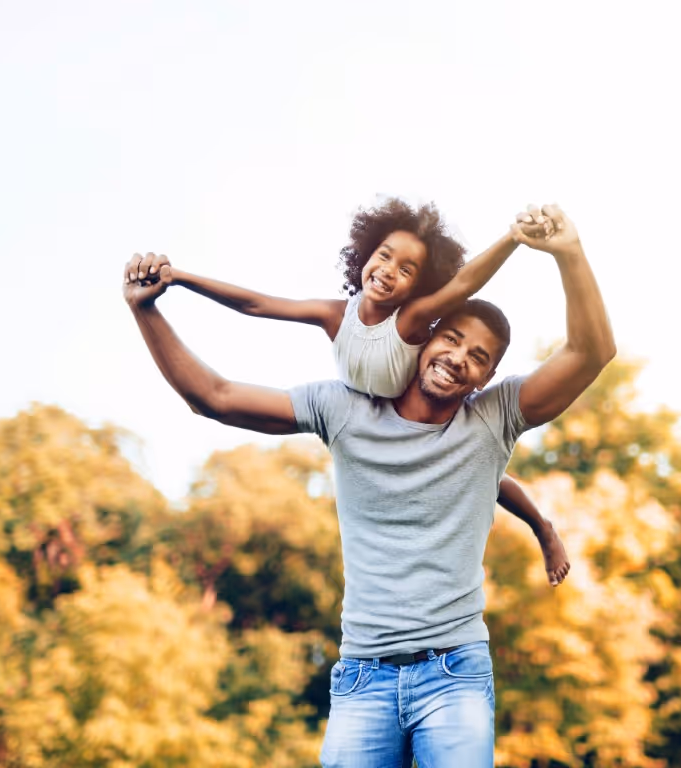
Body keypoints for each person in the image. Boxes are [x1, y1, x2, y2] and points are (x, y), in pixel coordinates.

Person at [123, 203, 615, 767]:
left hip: (454, 672)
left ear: (490, 377)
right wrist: (147, 312)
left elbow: (590, 353)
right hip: (362, 677)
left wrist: (570, 254)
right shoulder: (342, 407)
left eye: (478, 358)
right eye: (452, 339)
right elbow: (215, 397)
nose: (458, 359)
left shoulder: (493, 418)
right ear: (427, 333)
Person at [144, 198, 570, 585]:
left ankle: (541, 525)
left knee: (487, 472)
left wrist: (512, 239)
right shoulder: (334, 314)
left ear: (420, 287)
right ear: (365, 255)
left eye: (407, 270)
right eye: (384, 257)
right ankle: (539, 523)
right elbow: (256, 304)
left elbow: (462, 286)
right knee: (484, 473)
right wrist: (180, 279)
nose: (388, 272)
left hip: (423, 406)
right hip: (374, 411)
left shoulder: (413, 319)